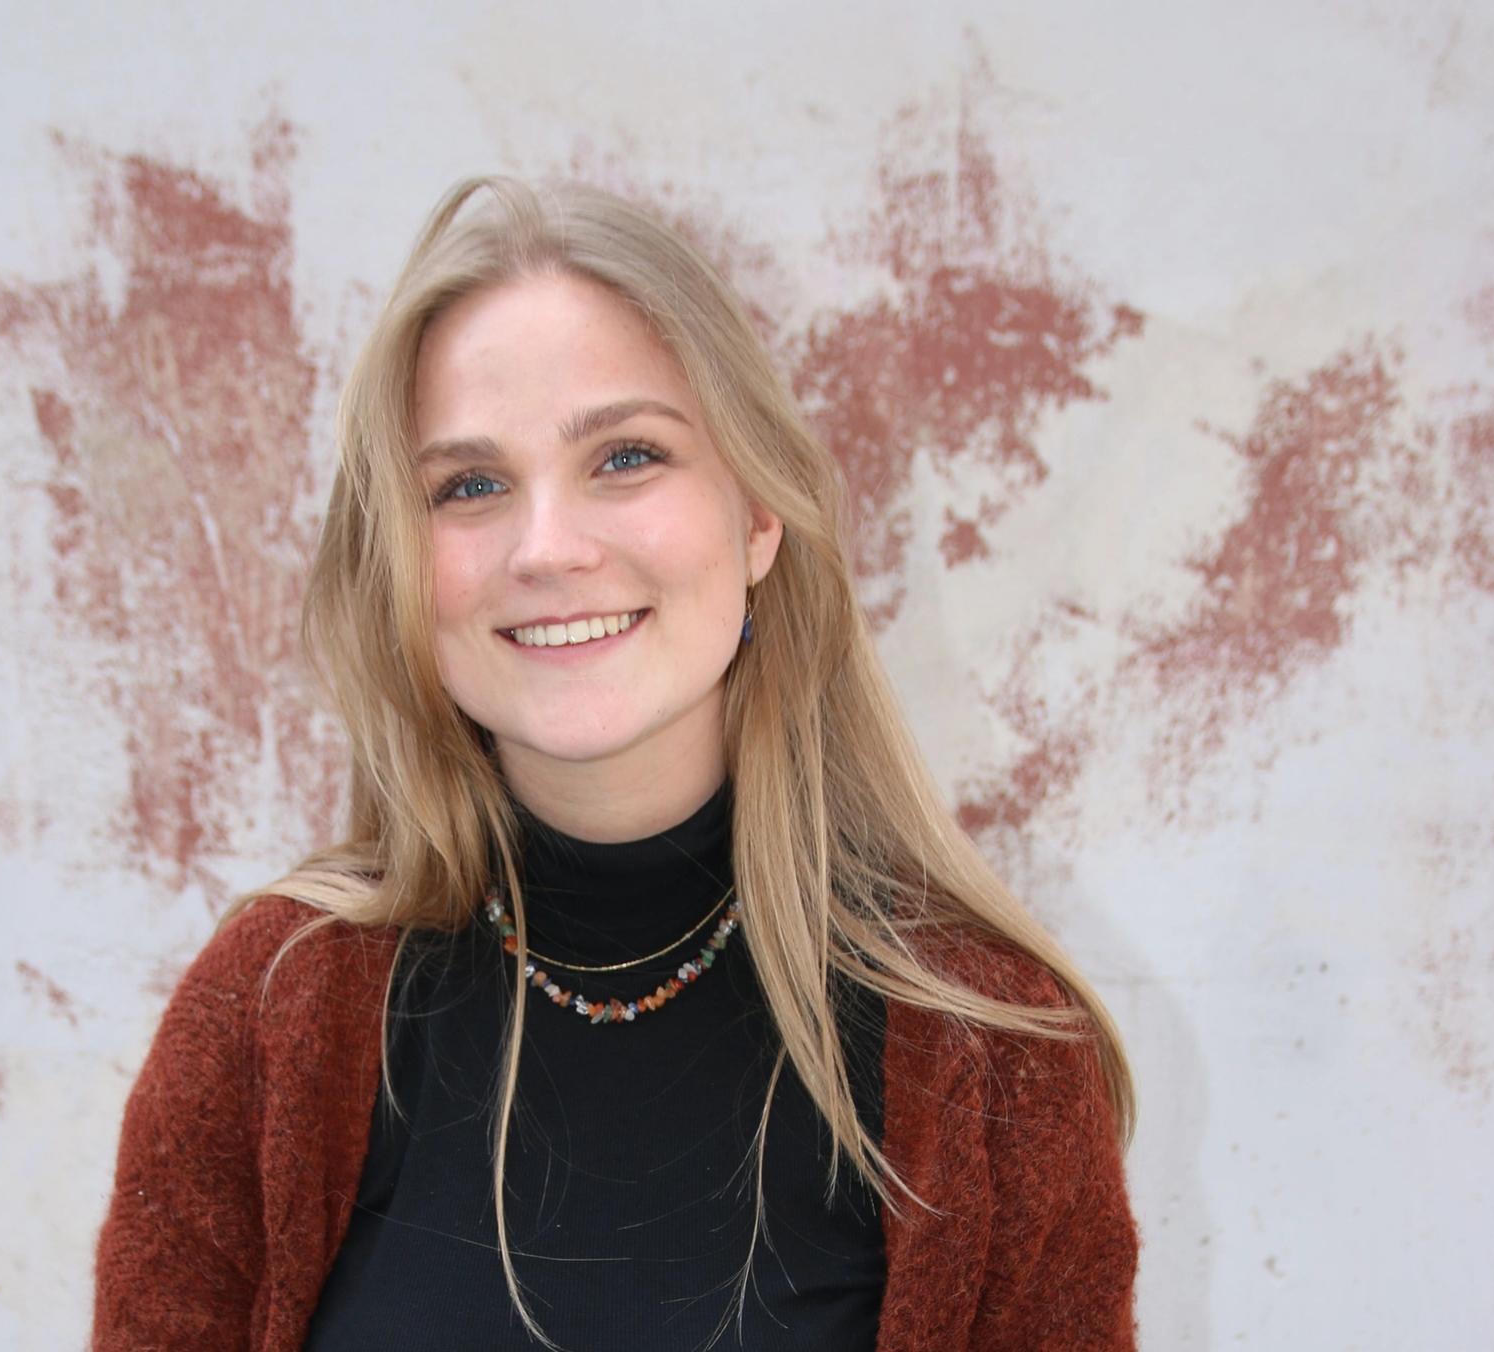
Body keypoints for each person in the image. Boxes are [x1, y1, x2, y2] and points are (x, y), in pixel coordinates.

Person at [91, 176, 1140, 1351]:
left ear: (757, 519)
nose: (549, 549)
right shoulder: (268, 1012)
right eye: (470, 485)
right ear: (397, 559)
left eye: (627, 455)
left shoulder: (991, 1050)